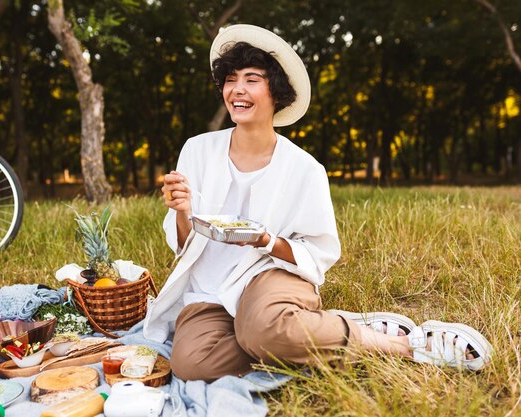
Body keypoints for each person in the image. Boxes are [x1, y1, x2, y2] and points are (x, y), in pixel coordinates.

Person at [143, 24, 493, 381]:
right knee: (192, 366)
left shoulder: (305, 169)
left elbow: (320, 251)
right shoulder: (197, 150)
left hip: (267, 274)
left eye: (252, 79)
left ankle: (404, 346)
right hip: (209, 291)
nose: (238, 90)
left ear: (275, 91)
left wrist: (267, 241)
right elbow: (184, 245)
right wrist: (182, 211)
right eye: (231, 79)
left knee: (262, 331)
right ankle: (313, 328)